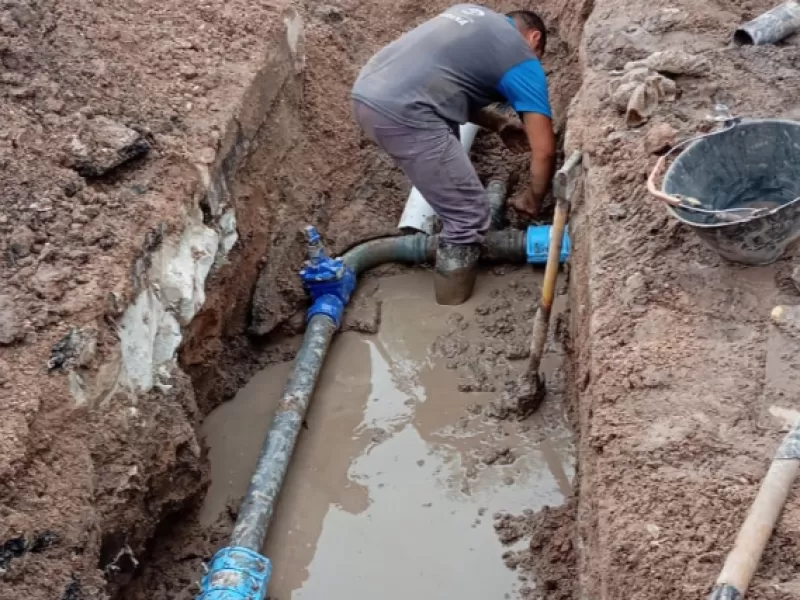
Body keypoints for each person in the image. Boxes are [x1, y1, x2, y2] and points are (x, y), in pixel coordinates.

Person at [351, 4, 556, 305]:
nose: (535, 64)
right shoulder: (523, 59)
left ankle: (449, 225)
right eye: (539, 56)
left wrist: (498, 123)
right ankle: (450, 306)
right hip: (403, 112)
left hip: (368, 90)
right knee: (469, 214)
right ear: (534, 39)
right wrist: (533, 198)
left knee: (455, 171)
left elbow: (443, 84)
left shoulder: (470, 14)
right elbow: (545, 150)